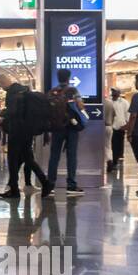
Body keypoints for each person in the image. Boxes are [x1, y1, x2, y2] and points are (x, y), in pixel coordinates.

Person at [0, 71, 49, 198]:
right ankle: (45, 182)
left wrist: (3, 117)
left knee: (13, 159)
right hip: (27, 130)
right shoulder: (24, 90)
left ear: (3, 83)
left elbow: (13, 112)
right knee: (27, 158)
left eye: (1, 86)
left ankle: (14, 190)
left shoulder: (12, 93)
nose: (2, 88)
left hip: (17, 130)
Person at [44, 68, 85, 196]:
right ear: (68, 78)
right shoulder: (73, 90)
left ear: (58, 77)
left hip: (56, 128)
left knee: (54, 156)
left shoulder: (52, 92)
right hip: (71, 127)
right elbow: (80, 106)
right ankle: (71, 186)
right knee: (71, 156)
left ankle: (50, 185)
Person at [104, 87, 129, 174]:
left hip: (120, 126)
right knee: (112, 145)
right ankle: (113, 162)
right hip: (111, 126)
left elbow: (127, 114)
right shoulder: (108, 102)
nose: (114, 93)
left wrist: (127, 125)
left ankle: (116, 159)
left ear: (119, 93)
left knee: (118, 145)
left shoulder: (124, 102)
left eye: (115, 91)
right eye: (113, 91)